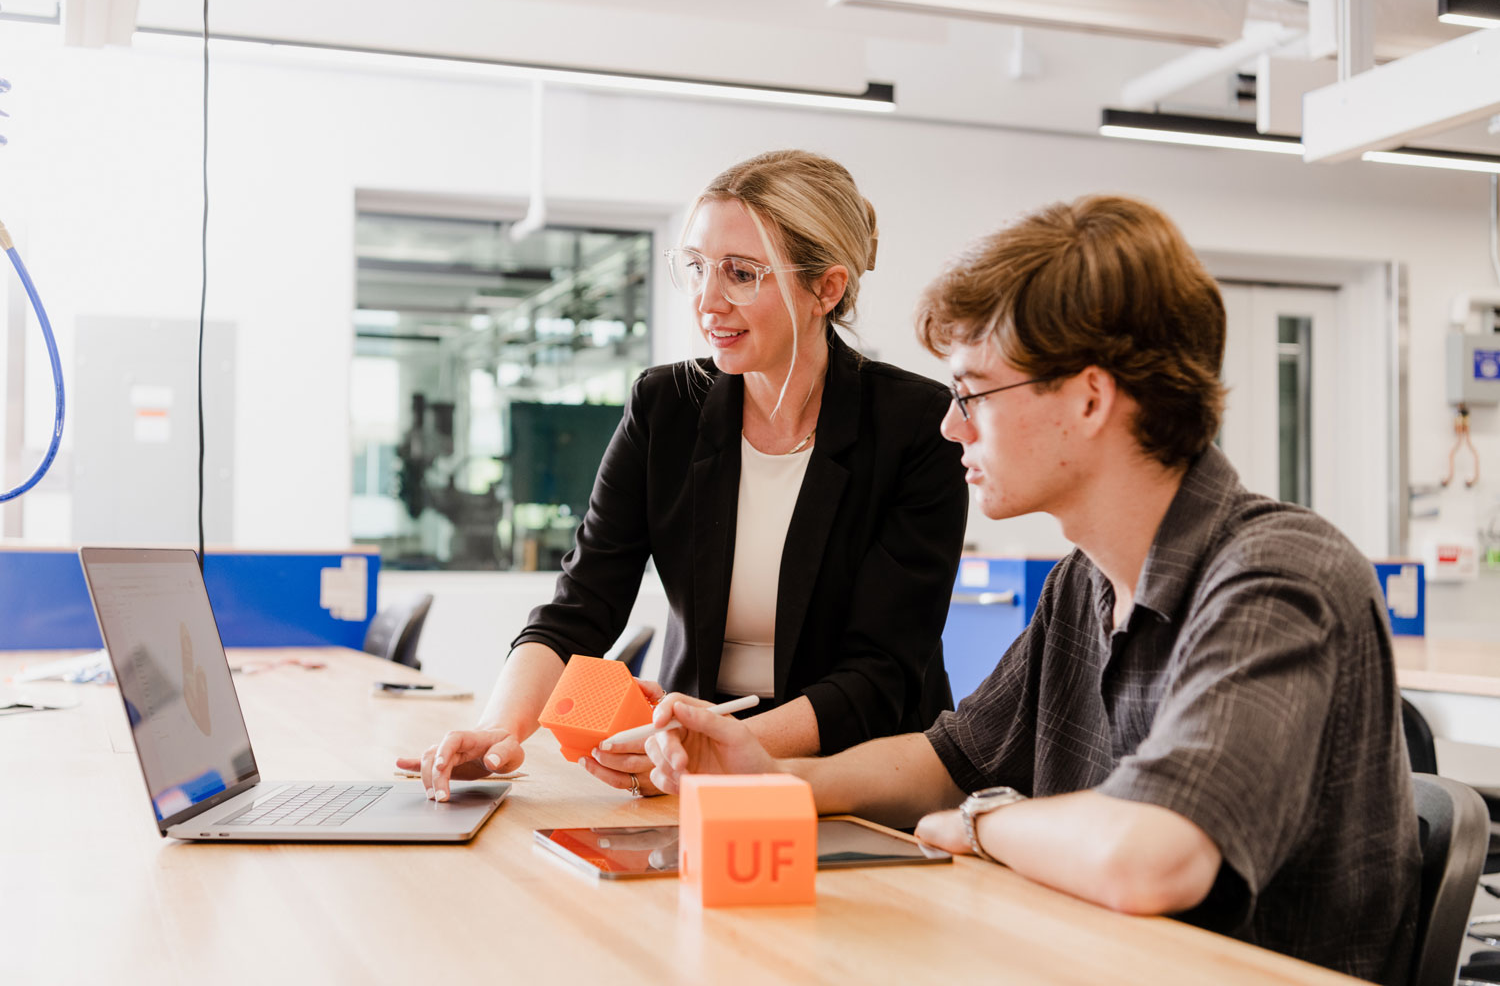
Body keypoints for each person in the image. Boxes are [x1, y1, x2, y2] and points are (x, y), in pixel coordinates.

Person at [642, 195, 1420, 985]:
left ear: (1088, 398)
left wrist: (986, 825)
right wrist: (769, 779)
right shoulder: (1085, 583)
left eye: (973, 393)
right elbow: (949, 761)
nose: (951, 427)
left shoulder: (1278, 576)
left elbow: (1153, 857)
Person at [401, 150, 967, 801]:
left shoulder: (917, 426)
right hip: (691, 763)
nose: (707, 301)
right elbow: (582, 602)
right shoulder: (665, 408)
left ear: (826, 289)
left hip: (856, 776)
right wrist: (499, 728)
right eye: (696, 268)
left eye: (742, 274)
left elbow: (880, 673)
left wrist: (722, 747)